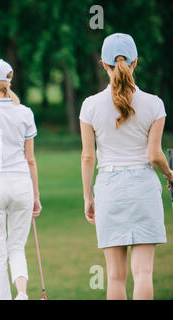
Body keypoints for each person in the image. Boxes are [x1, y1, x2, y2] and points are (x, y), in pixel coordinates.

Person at [79, 33, 172, 300]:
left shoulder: (90, 105)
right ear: (135, 62)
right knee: (143, 272)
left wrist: (88, 196)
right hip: (143, 187)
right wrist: (169, 174)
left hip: (109, 189)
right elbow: (154, 156)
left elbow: (88, 157)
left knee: (115, 277)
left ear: (103, 64)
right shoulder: (155, 104)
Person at [0, 59, 42, 300]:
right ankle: (22, 294)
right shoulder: (25, 112)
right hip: (22, 185)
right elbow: (31, 160)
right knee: (16, 247)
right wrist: (36, 195)